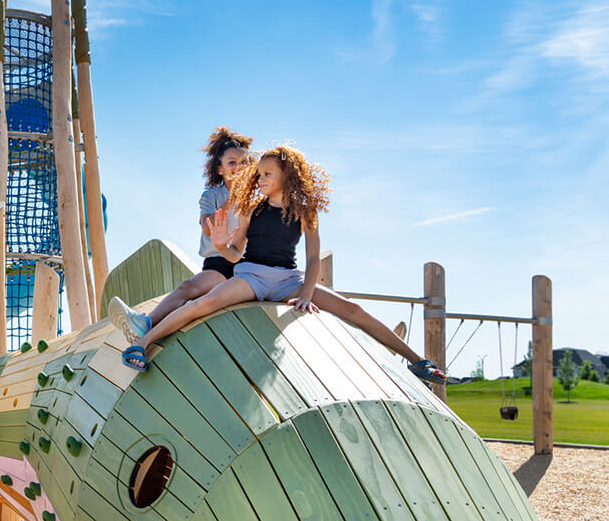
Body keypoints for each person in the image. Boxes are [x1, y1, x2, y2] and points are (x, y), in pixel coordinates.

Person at [112, 146, 447, 383]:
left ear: (287, 175)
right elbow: (235, 253)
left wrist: (305, 292)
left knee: (352, 309)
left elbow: (314, 258)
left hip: (289, 279)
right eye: (259, 175)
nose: (259, 179)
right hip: (252, 276)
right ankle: (140, 344)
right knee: (204, 303)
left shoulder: (305, 210)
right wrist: (220, 246)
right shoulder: (252, 208)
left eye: (266, 174)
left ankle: (418, 361)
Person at [108, 126, 252, 337]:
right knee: (188, 289)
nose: (239, 167)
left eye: (244, 163)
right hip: (218, 262)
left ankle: (149, 326)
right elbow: (207, 228)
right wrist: (232, 199)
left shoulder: (258, 197)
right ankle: (146, 323)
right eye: (232, 163)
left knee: (194, 295)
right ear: (220, 169)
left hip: (245, 264)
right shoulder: (211, 195)